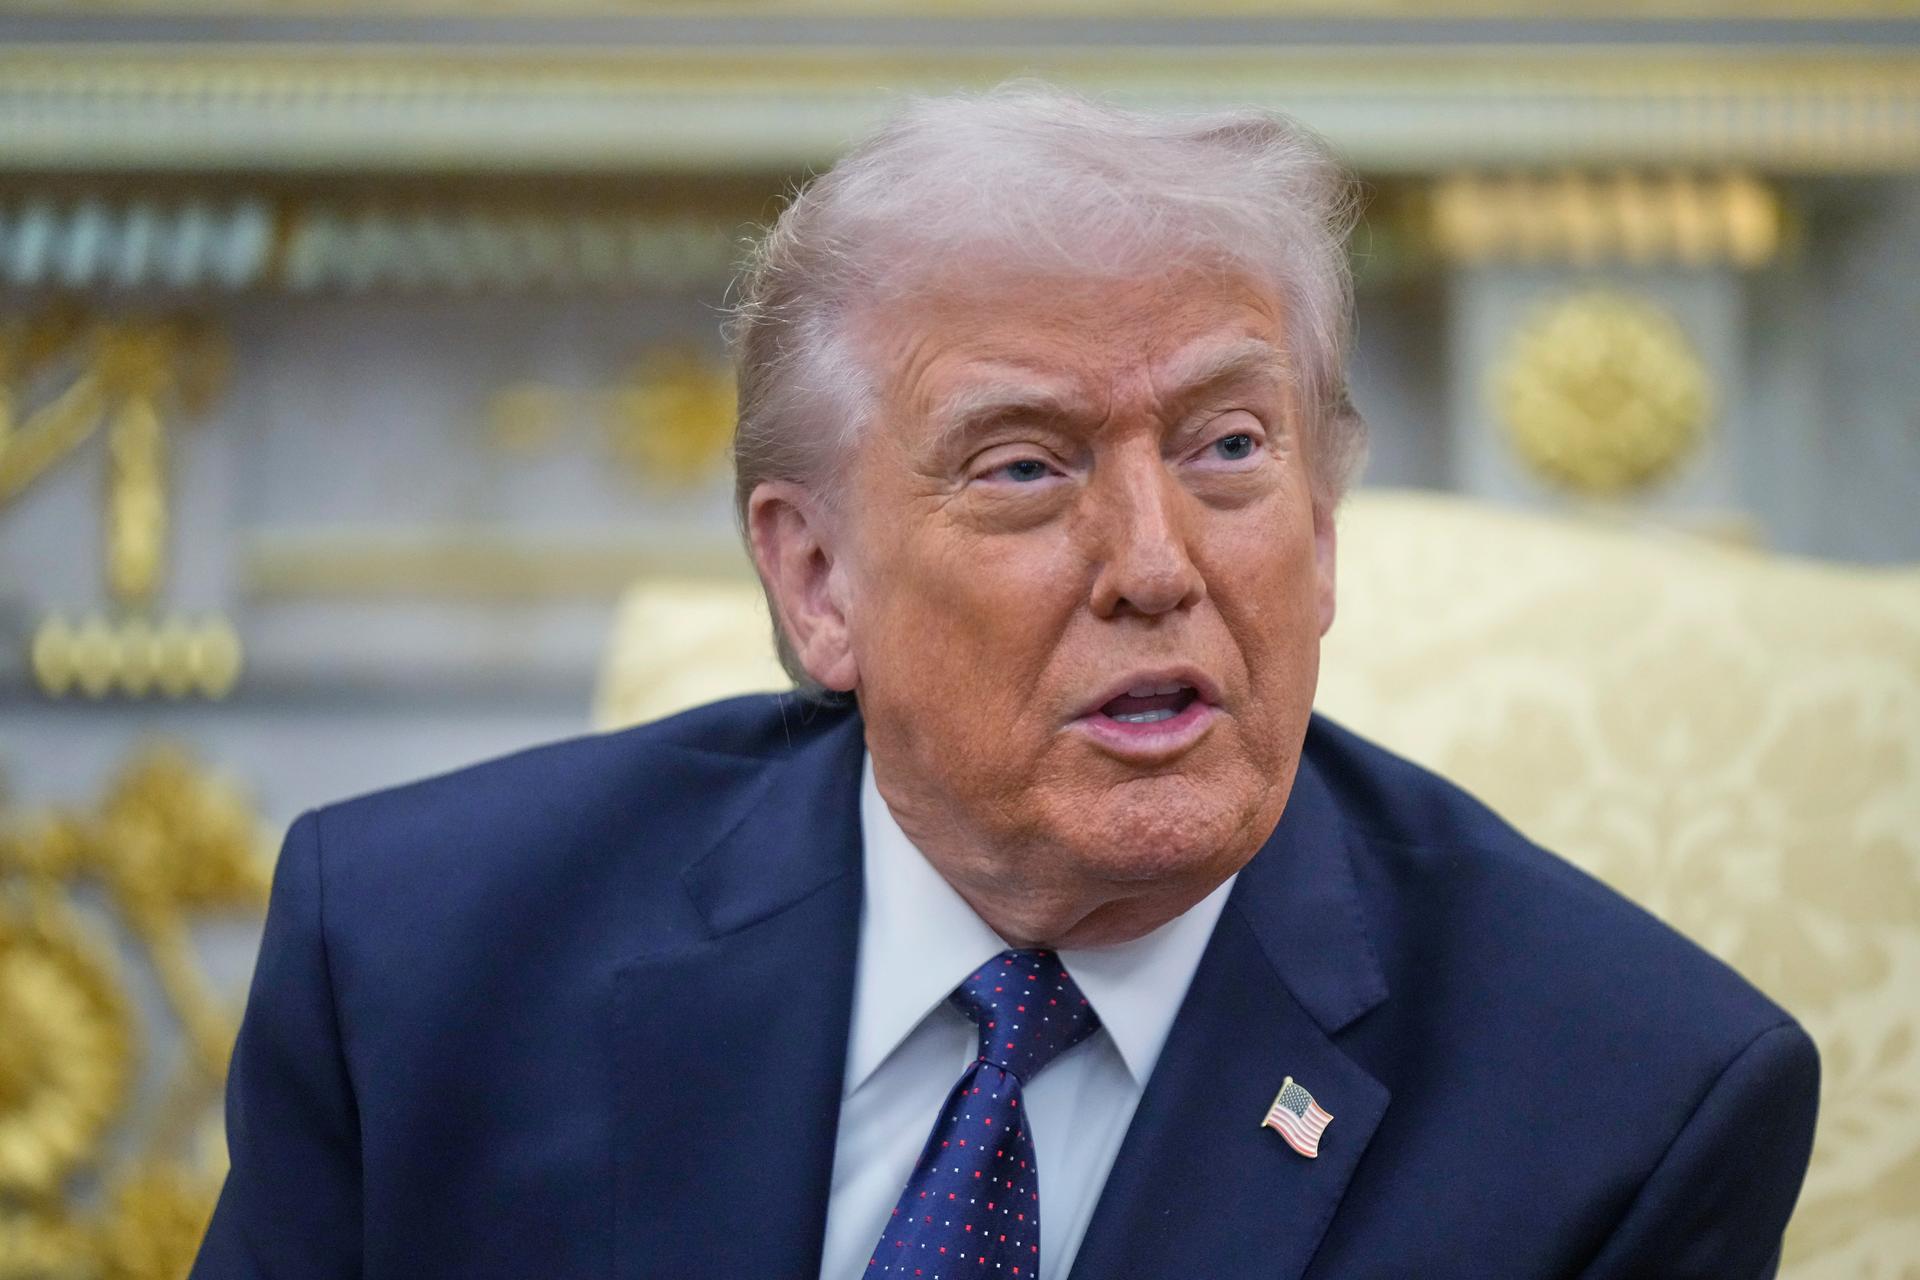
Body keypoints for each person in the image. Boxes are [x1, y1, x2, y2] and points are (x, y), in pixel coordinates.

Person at [190, 83, 1818, 1280]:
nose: (1156, 562)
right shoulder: (413, 959)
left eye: (1228, 448)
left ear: (1321, 534)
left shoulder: (1629, 1106)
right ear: (818, 582)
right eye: (1027, 467)